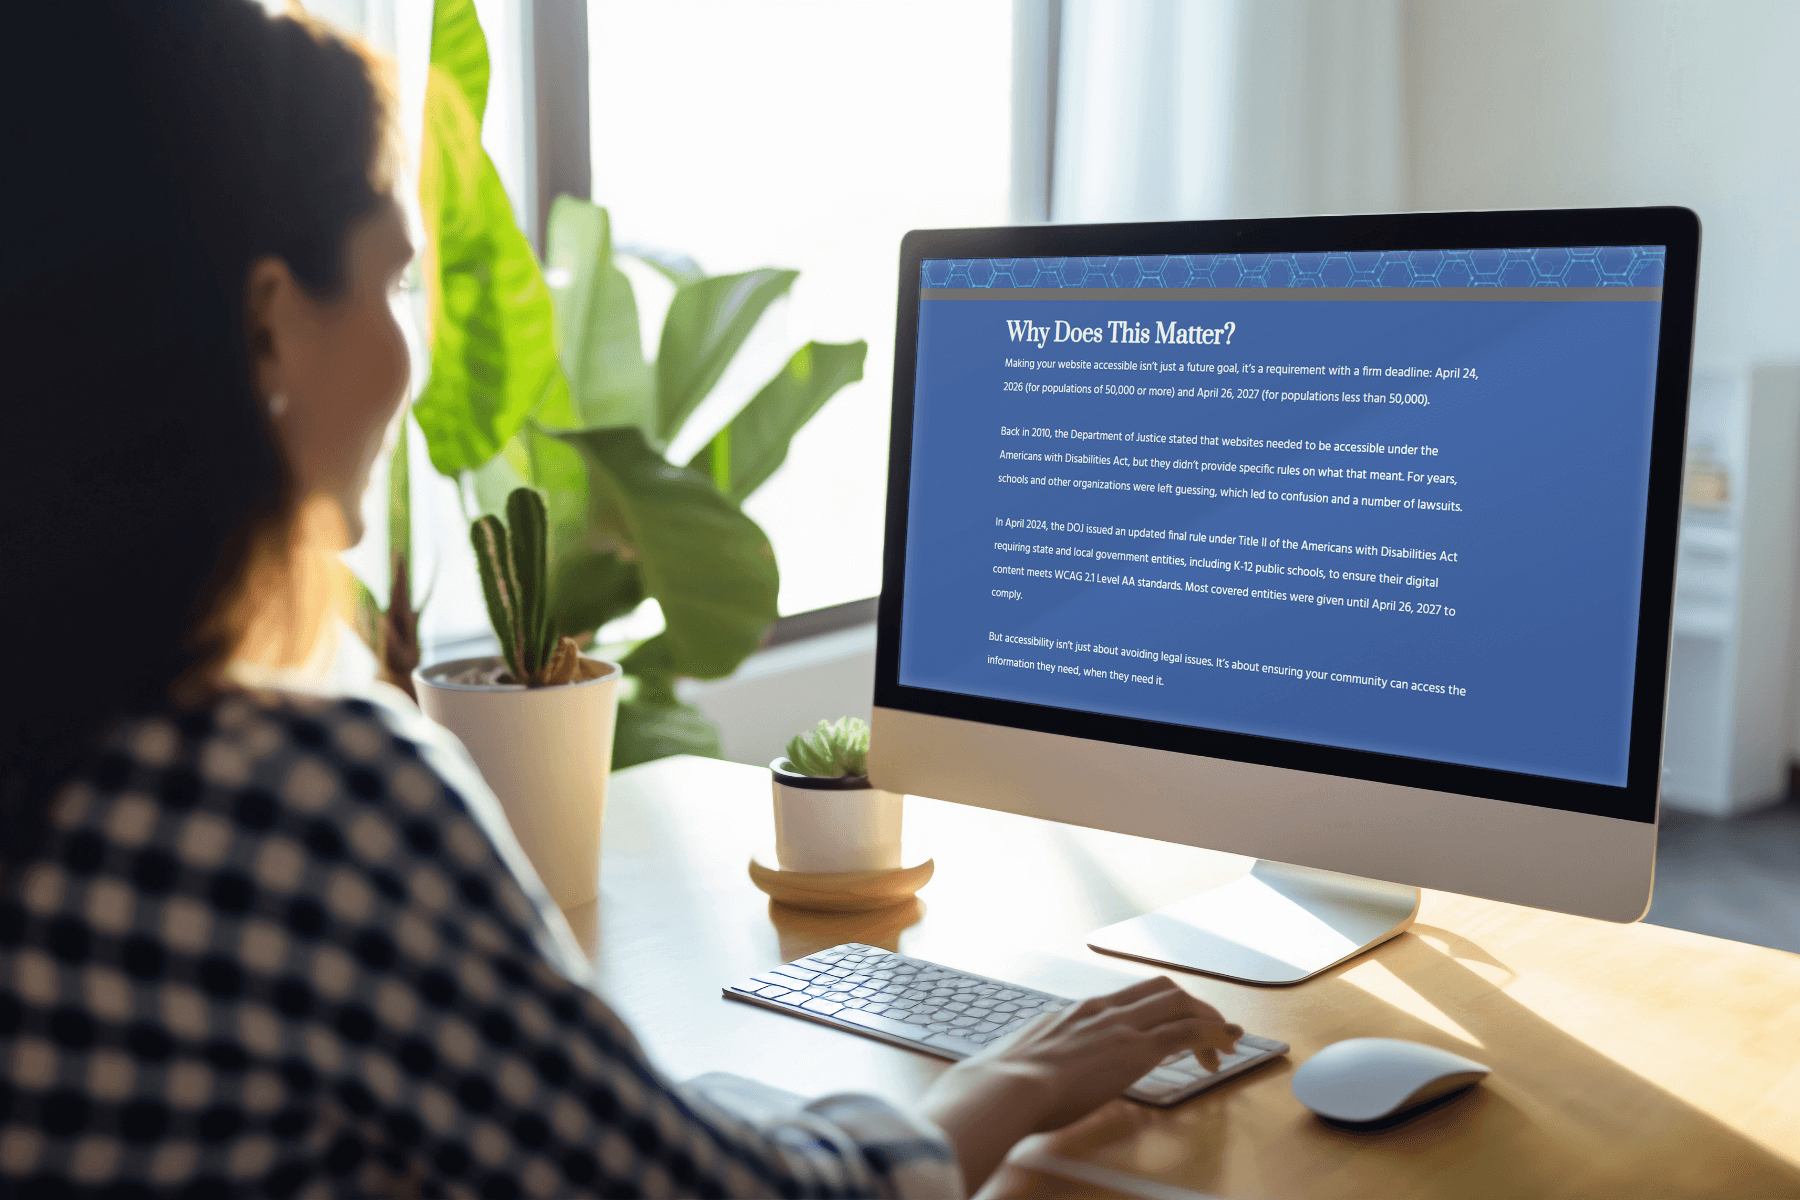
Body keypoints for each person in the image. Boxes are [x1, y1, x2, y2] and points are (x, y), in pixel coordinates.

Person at [0, 2, 1244, 1196]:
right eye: (387, 285)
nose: (405, 351)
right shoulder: (297, 810)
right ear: (268, 327)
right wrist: (1019, 1077)